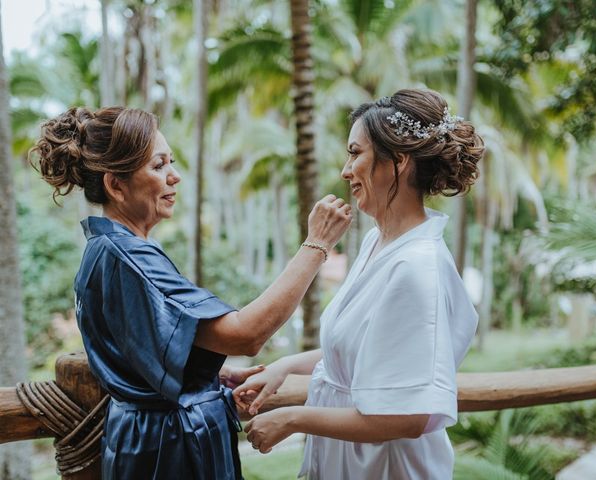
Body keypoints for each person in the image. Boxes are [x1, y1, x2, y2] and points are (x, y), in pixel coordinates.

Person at [31, 106, 352, 480]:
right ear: (115, 185)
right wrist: (316, 244)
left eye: (172, 162)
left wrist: (201, 373)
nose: (174, 176)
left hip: (153, 441)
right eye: (158, 166)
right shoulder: (127, 257)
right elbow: (246, 334)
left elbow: (143, 350)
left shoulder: (110, 248)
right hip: (168, 453)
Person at [234, 88, 484, 479]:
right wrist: (284, 367)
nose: (345, 170)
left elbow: (411, 416)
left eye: (355, 153)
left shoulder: (417, 268)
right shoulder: (377, 243)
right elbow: (361, 351)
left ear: (398, 162)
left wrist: (292, 419)